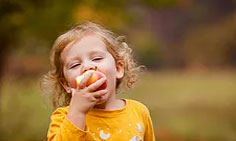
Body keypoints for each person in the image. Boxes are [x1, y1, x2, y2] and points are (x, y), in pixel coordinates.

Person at [42, 22, 155, 141]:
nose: (87, 67)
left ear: (118, 68)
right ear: (66, 84)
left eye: (97, 58)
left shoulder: (138, 112)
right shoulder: (63, 118)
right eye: (75, 65)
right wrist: (78, 112)